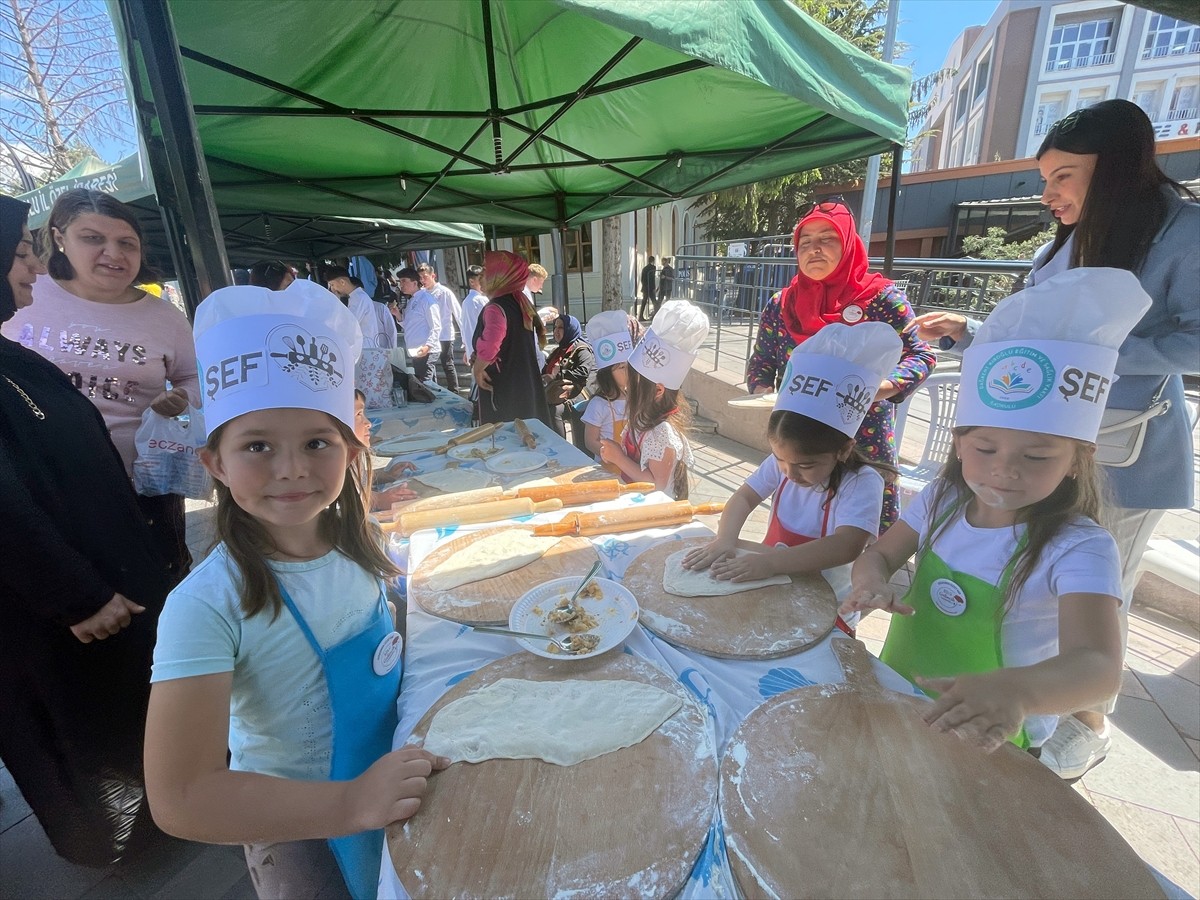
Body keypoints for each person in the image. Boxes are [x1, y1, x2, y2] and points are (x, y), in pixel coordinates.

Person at [907, 100, 1199, 778]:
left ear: (1121, 170)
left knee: (1101, 593)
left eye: (1065, 175)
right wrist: (974, 332)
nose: (1050, 194)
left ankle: (1089, 722)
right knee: (1036, 582)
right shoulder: (1064, 242)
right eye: (1046, 178)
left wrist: (1104, 356)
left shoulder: (1184, 234)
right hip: (1041, 449)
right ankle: (1029, 694)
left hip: (1122, 453)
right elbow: (1038, 340)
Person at [146, 281, 447, 900]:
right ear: (216, 465)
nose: (292, 469)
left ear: (352, 447)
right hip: (297, 830)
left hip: (390, 781)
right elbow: (181, 799)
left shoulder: (355, 546)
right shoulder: (206, 605)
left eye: (318, 442)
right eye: (258, 446)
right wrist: (351, 803)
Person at [841, 269, 1147, 755]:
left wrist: (1018, 691)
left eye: (1037, 456)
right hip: (900, 693)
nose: (1005, 470)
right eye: (986, 448)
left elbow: (1098, 666)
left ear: (1078, 459)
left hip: (995, 736)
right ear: (959, 444)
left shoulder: (1080, 547)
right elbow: (878, 555)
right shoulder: (942, 499)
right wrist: (870, 581)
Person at [0, 195, 178, 866]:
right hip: (63, 610)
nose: (31, 267)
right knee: (83, 736)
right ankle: (125, 852)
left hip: (110, 575)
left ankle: (161, 816)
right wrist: (75, 594)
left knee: (135, 713)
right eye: (20, 253)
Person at [3, 188, 199, 578]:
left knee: (154, 593)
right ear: (59, 239)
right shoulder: (22, 293)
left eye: (127, 243)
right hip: (42, 490)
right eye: (93, 239)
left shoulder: (165, 317)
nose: (113, 253)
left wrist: (181, 399)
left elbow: (195, 377)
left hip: (143, 490)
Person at [684, 323, 901, 631]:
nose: (790, 471)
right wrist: (726, 538)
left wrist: (770, 562)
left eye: (805, 465)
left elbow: (846, 545)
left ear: (843, 449)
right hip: (772, 587)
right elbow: (744, 497)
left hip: (829, 607)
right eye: (782, 460)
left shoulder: (863, 482)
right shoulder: (782, 463)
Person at [744, 199, 934, 531]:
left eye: (827, 239)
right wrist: (763, 392)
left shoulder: (882, 300)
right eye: (805, 242)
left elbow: (921, 354)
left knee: (860, 534)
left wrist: (882, 388)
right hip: (801, 442)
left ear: (848, 243)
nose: (814, 249)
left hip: (863, 437)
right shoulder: (781, 305)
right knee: (800, 523)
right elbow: (761, 362)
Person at [599, 300, 708, 499]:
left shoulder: (662, 432)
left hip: (657, 511)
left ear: (658, 390)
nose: (626, 386)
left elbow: (656, 484)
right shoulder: (642, 420)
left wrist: (619, 458)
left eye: (633, 383)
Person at [471, 251, 553, 428]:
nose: (481, 277)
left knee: (507, 441)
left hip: (505, 388)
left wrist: (477, 370)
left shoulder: (496, 308)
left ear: (500, 275)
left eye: (486, 271)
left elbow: (490, 347)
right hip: (525, 383)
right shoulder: (520, 302)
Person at [581, 311, 641, 466]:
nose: (627, 372)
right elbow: (589, 441)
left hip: (632, 466)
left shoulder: (634, 399)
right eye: (621, 367)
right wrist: (613, 456)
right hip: (607, 468)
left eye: (629, 367)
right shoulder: (599, 404)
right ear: (607, 374)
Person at [353, 389, 417, 513]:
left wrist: (386, 475)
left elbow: (357, 479)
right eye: (358, 414)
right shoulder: (333, 461)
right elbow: (341, 500)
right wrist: (378, 500)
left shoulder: (353, 454)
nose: (368, 423)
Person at [541, 314, 595, 446]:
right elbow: (544, 371)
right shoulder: (557, 350)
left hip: (579, 392)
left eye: (561, 327)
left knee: (554, 410)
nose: (556, 331)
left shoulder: (582, 349)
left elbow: (582, 372)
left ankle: (560, 447)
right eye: (555, 327)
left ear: (570, 329)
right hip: (556, 390)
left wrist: (558, 375)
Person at [417, 263, 461, 392]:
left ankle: (454, 390)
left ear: (433, 276)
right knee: (429, 364)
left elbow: (458, 312)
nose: (422, 280)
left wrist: (466, 336)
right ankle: (432, 389)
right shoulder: (422, 294)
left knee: (447, 364)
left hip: (444, 334)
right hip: (429, 336)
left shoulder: (444, 292)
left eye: (424, 277)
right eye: (420, 278)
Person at [396, 266, 442, 386]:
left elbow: (436, 326)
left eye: (404, 281)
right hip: (416, 349)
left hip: (426, 349)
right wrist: (397, 315)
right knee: (426, 384)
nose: (401, 285)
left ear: (415, 282)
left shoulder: (427, 299)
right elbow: (409, 325)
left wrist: (428, 346)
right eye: (400, 282)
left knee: (426, 384)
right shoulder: (411, 301)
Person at [458, 264, 487, 368]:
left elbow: (464, 327)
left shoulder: (466, 301)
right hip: (481, 351)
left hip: (473, 350)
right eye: (481, 279)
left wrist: (466, 347)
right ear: (472, 282)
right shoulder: (480, 300)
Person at [638, 256, 657, 321]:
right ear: (653, 261)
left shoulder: (644, 268)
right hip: (650, 287)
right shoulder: (653, 268)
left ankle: (641, 316)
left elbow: (642, 279)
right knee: (654, 302)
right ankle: (655, 315)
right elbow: (652, 279)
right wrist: (654, 287)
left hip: (645, 287)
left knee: (644, 301)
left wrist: (644, 286)